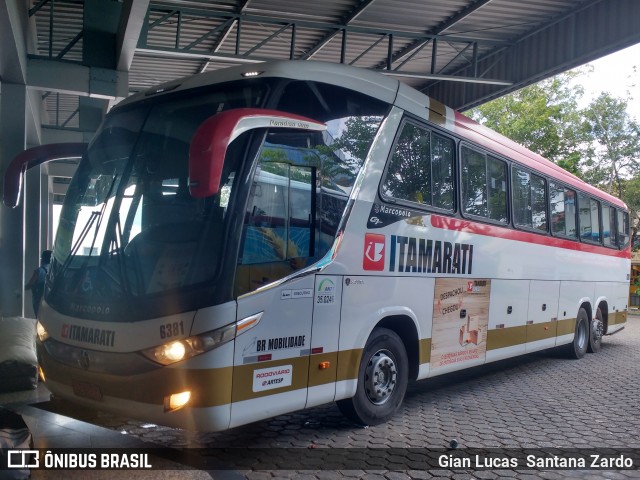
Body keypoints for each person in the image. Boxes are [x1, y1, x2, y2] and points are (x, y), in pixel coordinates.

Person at [25, 250, 52, 317]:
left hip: (38, 300)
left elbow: (30, 284)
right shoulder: (53, 271)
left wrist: (22, 288)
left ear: (42, 259)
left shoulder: (39, 271)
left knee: (39, 318)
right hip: (49, 301)